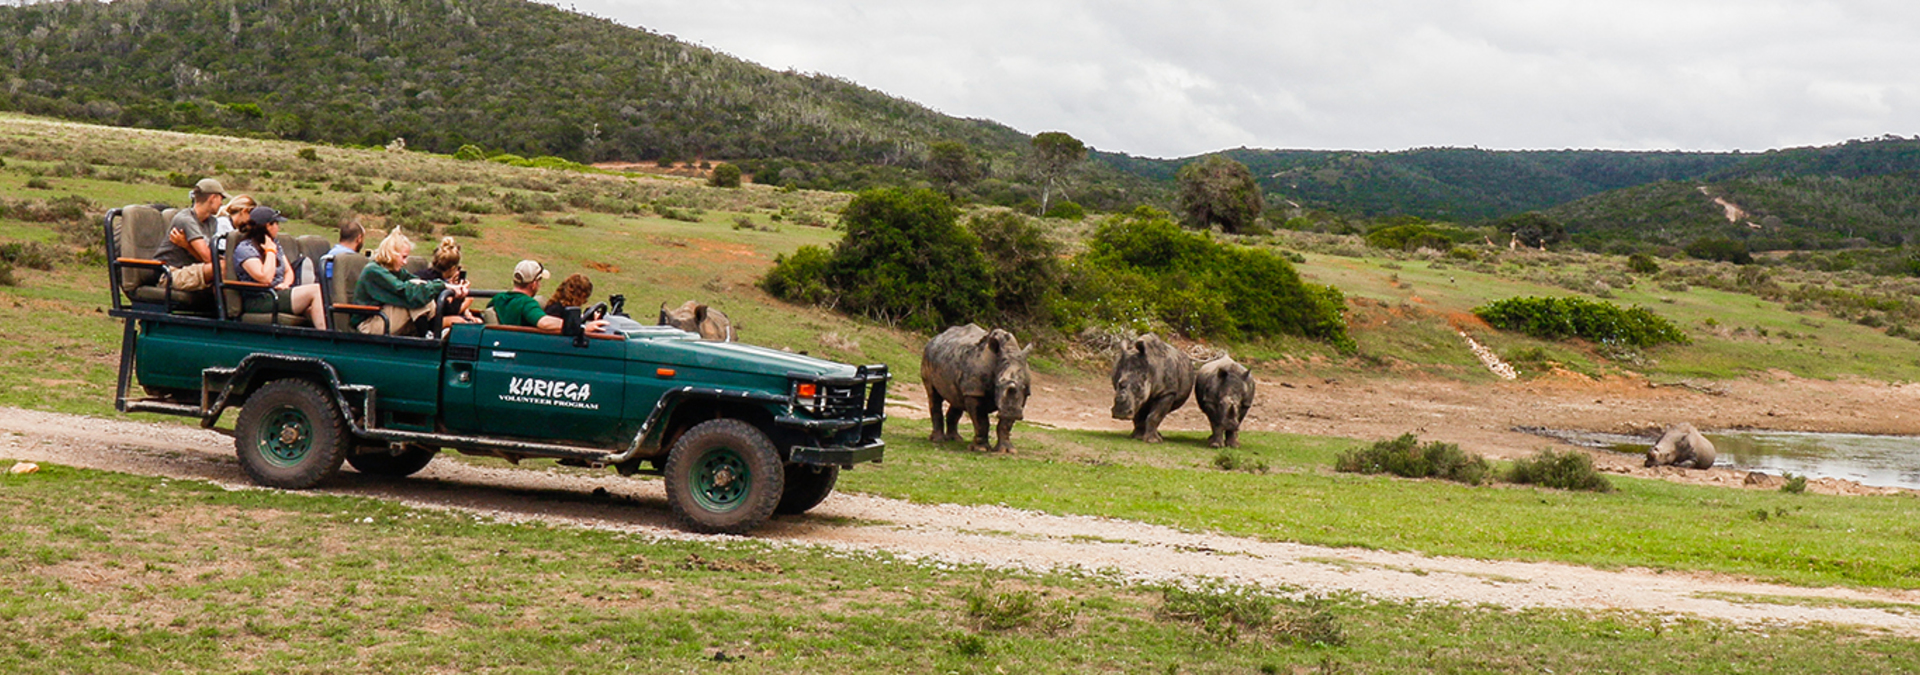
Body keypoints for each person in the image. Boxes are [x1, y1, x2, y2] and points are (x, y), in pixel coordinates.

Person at [352, 230, 471, 336]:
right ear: (392, 254)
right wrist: (443, 285)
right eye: (403, 257)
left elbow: (419, 283)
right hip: (368, 324)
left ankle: (430, 332)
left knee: (418, 286)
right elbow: (405, 291)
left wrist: (451, 288)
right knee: (415, 295)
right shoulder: (374, 271)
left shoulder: (393, 270)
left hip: (383, 318)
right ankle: (429, 335)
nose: (405, 262)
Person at [230, 207, 327, 328]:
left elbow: (288, 271)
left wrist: (285, 284)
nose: (278, 228)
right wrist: (270, 251)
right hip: (260, 298)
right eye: (276, 224)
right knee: (315, 290)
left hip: (278, 293)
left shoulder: (275, 243)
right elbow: (265, 277)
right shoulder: (245, 249)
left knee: (315, 306)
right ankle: (326, 337)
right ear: (267, 226)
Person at [488, 260, 607, 334]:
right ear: (534, 284)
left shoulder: (499, 298)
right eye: (539, 281)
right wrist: (580, 328)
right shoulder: (527, 303)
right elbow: (544, 323)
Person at [152, 178, 225, 293]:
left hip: (192, 268)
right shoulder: (186, 220)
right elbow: (209, 258)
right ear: (213, 198)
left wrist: (186, 245)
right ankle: (228, 310)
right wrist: (187, 246)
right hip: (171, 273)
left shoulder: (211, 222)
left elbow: (208, 258)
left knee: (228, 266)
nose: (221, 203)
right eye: (221, 198)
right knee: (222, 267)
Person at [416, 237, 476, 321]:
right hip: (430, 322)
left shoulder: (421, 275)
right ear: (452, 268)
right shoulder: (438, 283)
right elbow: (449, 311)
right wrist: (461, 295)